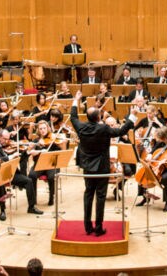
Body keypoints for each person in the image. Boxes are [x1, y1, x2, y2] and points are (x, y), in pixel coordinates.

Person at [71, 93, 136, 236]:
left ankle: (88, 227)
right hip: (101, 168)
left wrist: (76, 100)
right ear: (99, 117)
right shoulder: (104, 129)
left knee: (88, 195)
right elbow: (122, 130)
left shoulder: (81, 127)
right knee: (100, 197)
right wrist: (132, 116)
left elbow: (73, 117)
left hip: (88, 167)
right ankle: (98, 228)